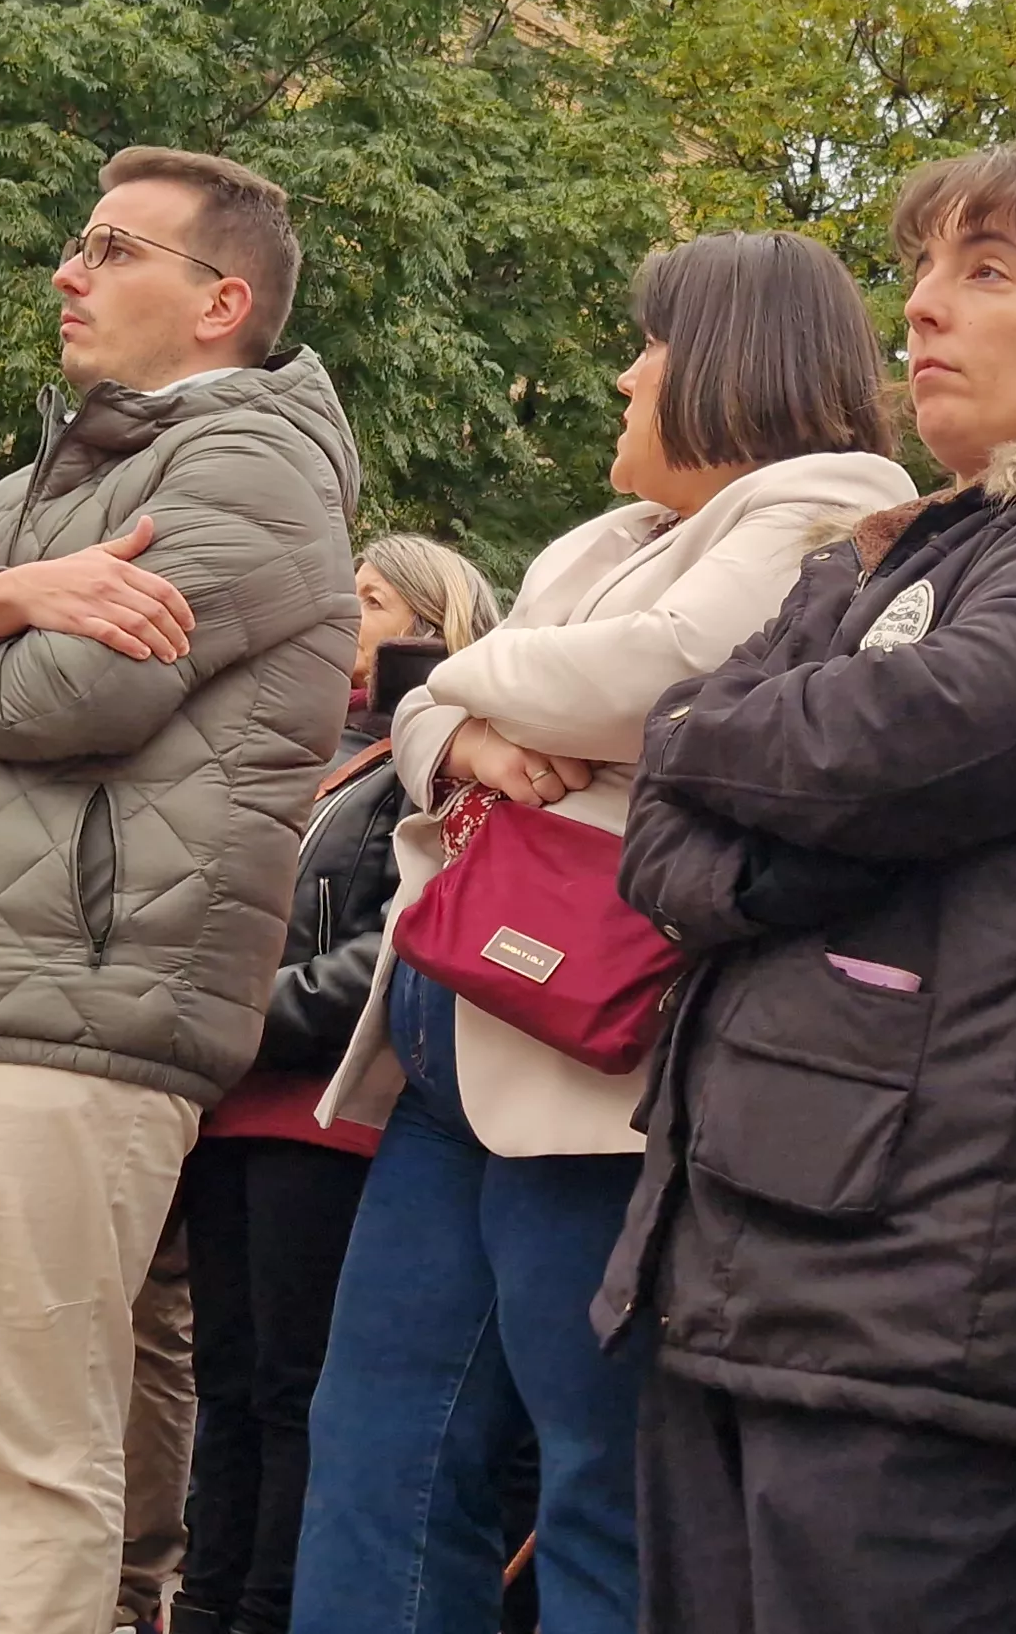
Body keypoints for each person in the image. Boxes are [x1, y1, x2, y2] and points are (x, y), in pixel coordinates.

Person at [610, 144, 1016, 1632]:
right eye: (919, 271)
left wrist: (716, 753)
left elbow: (906, 740)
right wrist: (755, 791)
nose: (923, 309)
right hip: (741, 1228)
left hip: (937, 1247)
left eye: (987, 273)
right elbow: (666, 824)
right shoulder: (894, 546)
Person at [295, 229, 917, 1634]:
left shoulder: (837, 500)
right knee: (377, 1455)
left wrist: (457, 682)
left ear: (735, 364)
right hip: (454, 1039)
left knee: (601, 1485)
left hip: (598, 1076)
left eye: (651, 343)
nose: (624, 374)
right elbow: (427, 711)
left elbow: (662, 674)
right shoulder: (609, 535)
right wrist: (460, 728)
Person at [0, 144, 356, 1634]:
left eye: (116, 250)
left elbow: (77, 697)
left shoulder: (250, 461)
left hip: (90, 996)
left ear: (221, 302)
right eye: (81, 242)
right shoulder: (69, 474)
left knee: (39, 1440)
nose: (70, 271)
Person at [170, 535, 490, 1634]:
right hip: (232, 1107)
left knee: (292, 1386)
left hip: (326, 1111)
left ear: (432, 627)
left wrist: (239, 1015)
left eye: (369, 598)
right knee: (225, 1378)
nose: (340, 615)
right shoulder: (315, 753)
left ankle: (266, 1609)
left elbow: (399, 944)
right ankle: (202, 1602)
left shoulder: (434, 762)